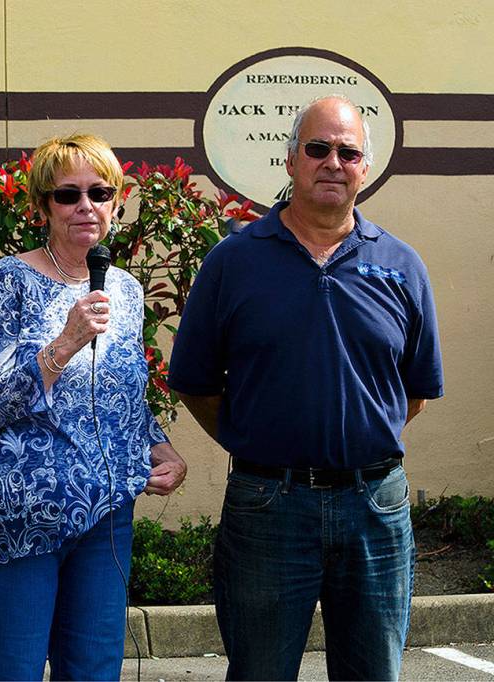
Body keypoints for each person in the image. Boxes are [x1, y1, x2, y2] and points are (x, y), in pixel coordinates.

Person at [168, 96, 443, 681]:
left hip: (376, 507)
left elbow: (411, 393)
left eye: (348, 152)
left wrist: (355, 440)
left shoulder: (402, 265)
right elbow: (195, 384)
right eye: (318, 148)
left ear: (365, 168)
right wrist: (264, 442)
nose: (332, 163)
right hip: (269, 507)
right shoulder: (234, 262)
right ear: (291, 160)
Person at [0, 133, 188, 680]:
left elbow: (122, 398)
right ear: (43, 206)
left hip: (107, 514)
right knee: (12, 672)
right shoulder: (9, 280)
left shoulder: (126, 292)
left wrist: (162, 447)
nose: (85, 206)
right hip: (22, 515)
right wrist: (62, 344)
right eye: (68, 195)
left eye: (99, 192)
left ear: (116, 203)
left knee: (92, 672)